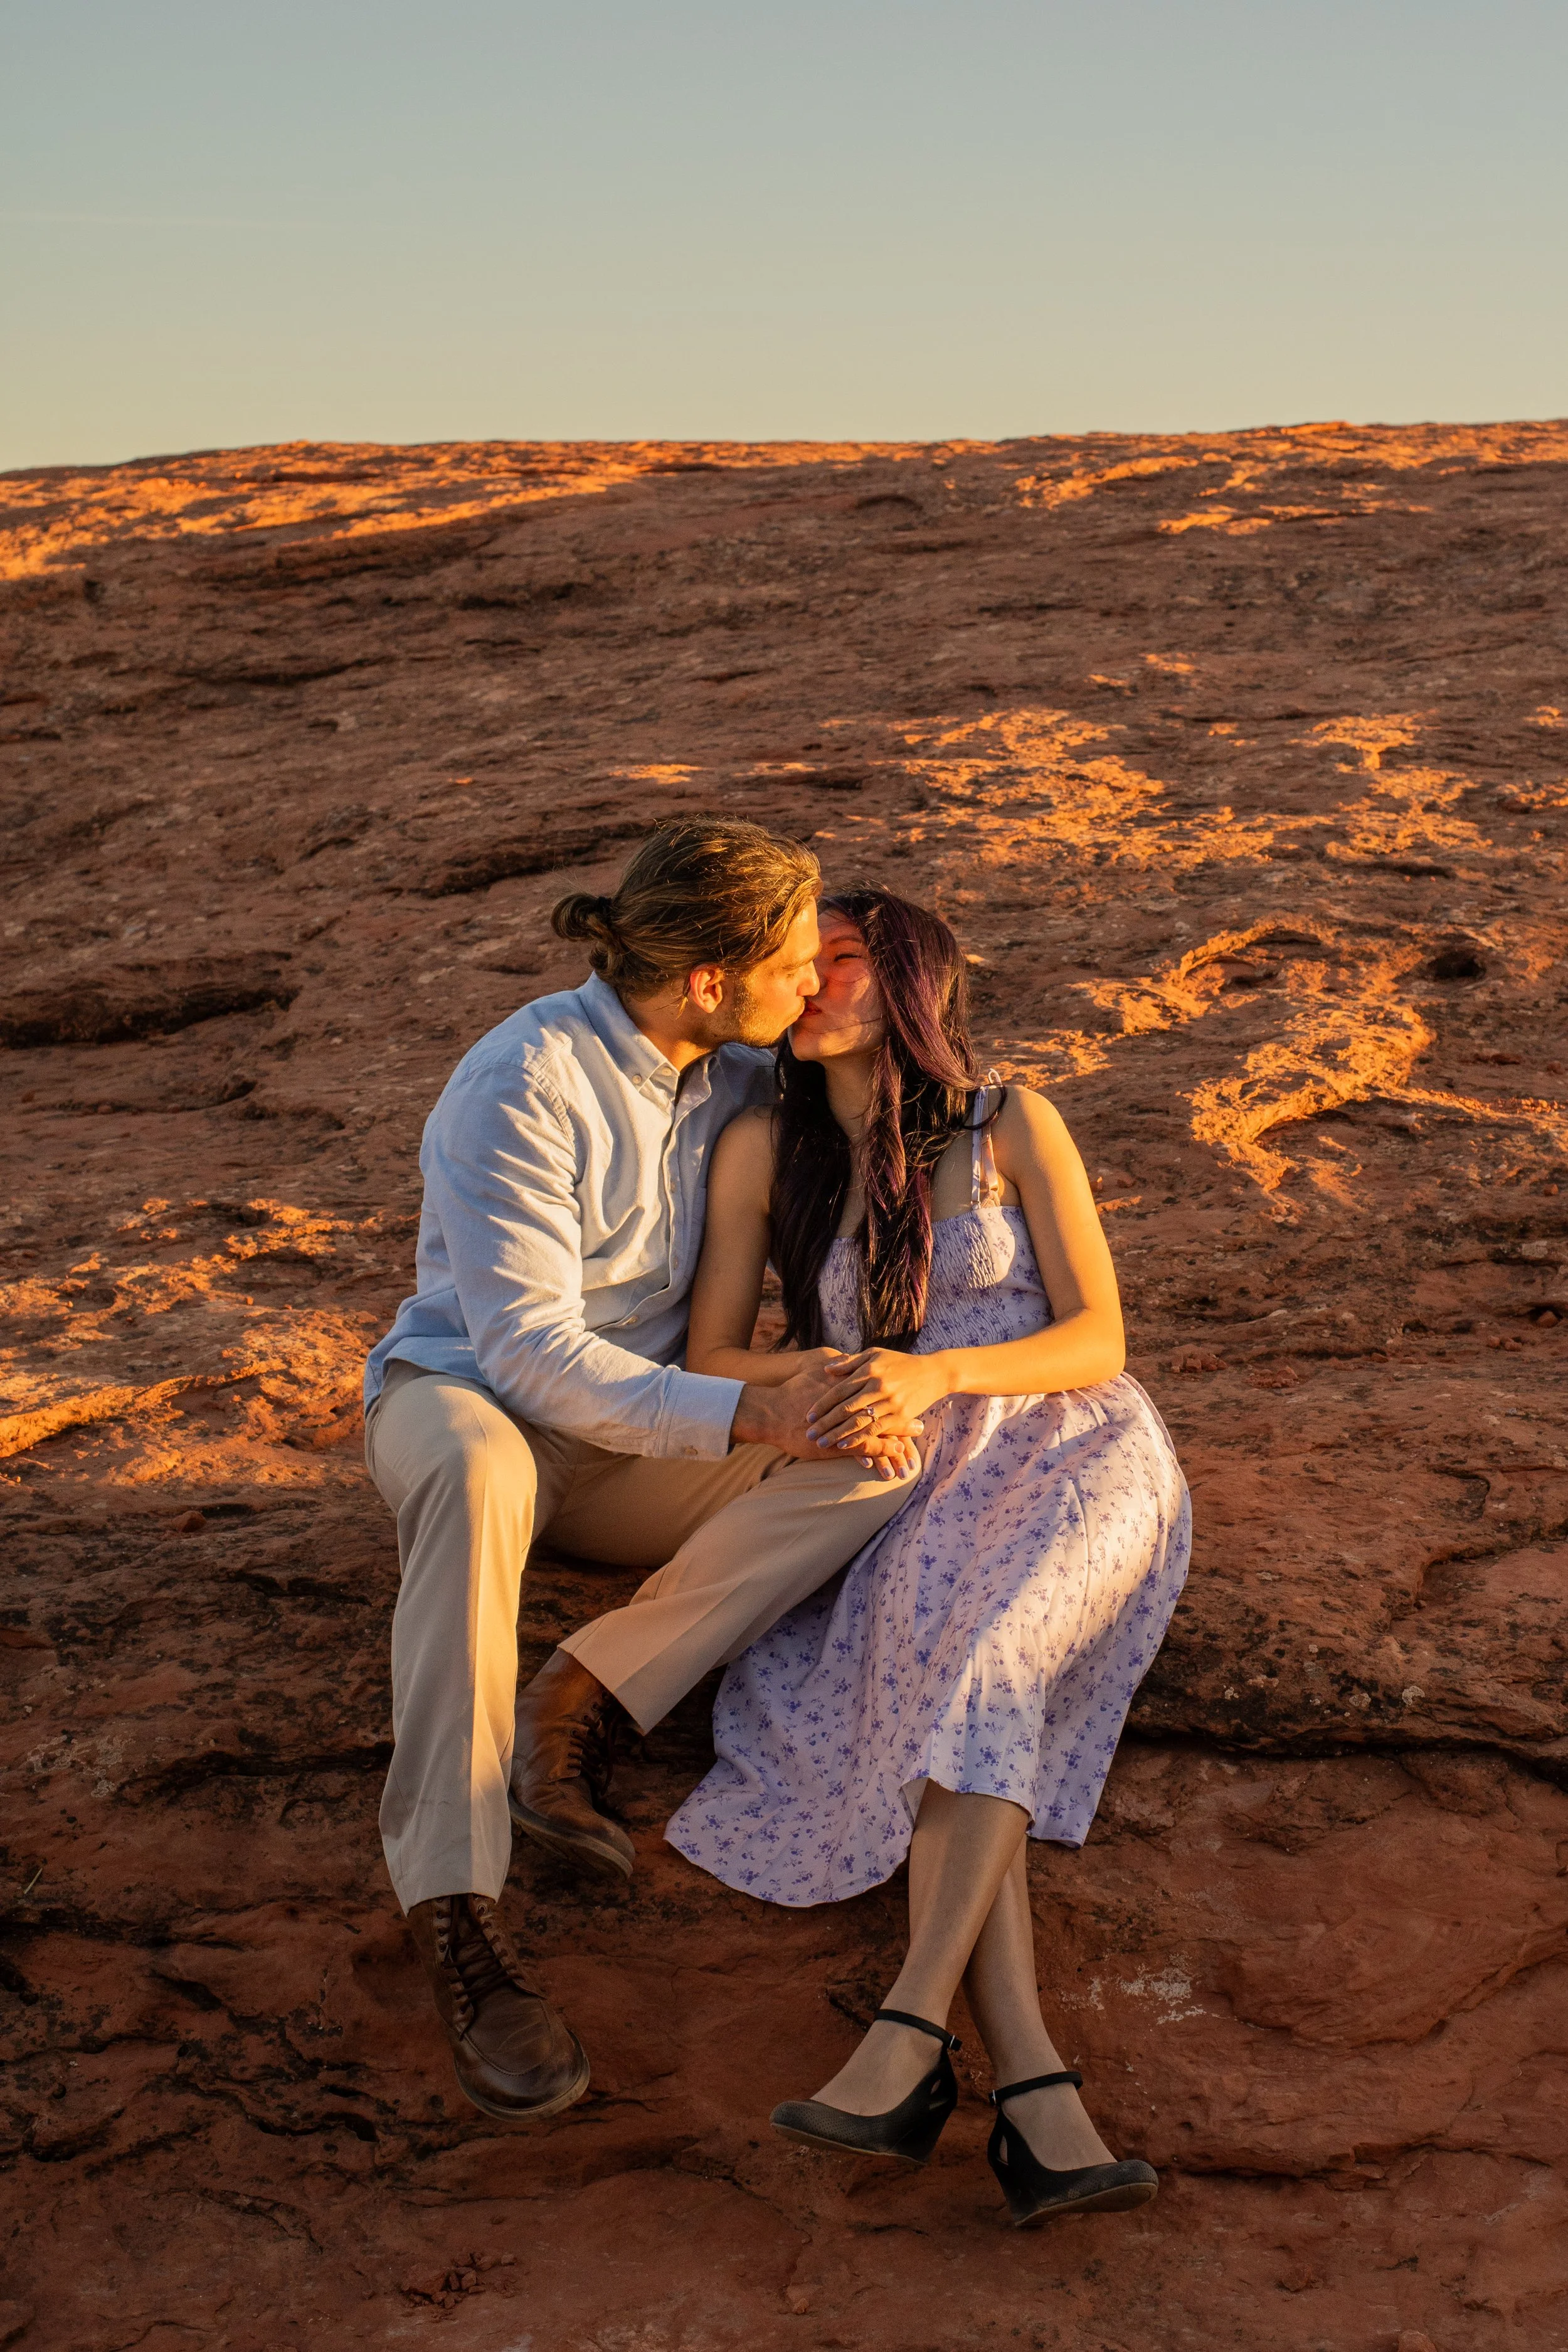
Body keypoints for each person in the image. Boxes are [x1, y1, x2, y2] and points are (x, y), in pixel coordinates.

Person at [361, 824, 919, 2126]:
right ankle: (457, 1915)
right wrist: (741, 1415)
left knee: (879, 1462)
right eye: (789, 962)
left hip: (635, 1454)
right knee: (477, 1466)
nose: (808, 983)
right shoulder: (522, 1081)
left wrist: (810, 1403)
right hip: (469, 1404)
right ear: (709, 980)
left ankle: (578, 1697)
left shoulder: (737, 1079)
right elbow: (526, 1354)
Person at [667, 887, 1191, 2228]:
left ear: (905, 983)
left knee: (993, 1656)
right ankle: (1033, 2094)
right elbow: (713, 1357)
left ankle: (907, 2028)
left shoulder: (1010, 1119)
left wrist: (935, 1367)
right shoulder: (757, 1152)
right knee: (953, 1679)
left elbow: (1095, 1335)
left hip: (1070, 1448)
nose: (807, 985)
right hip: (901, 1481)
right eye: (796, 966)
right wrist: (833, 1378)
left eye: (836, 962)